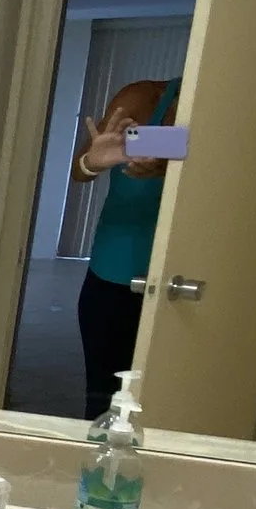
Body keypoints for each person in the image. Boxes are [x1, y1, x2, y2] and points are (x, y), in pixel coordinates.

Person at [70, 76, 182, 419]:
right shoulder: (145, 97)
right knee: (105, 401)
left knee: (170, 405)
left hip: (186, 284)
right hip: (115, 277)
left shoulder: (234, 117)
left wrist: (171, 167)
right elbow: (82, 169)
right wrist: (93, 161)